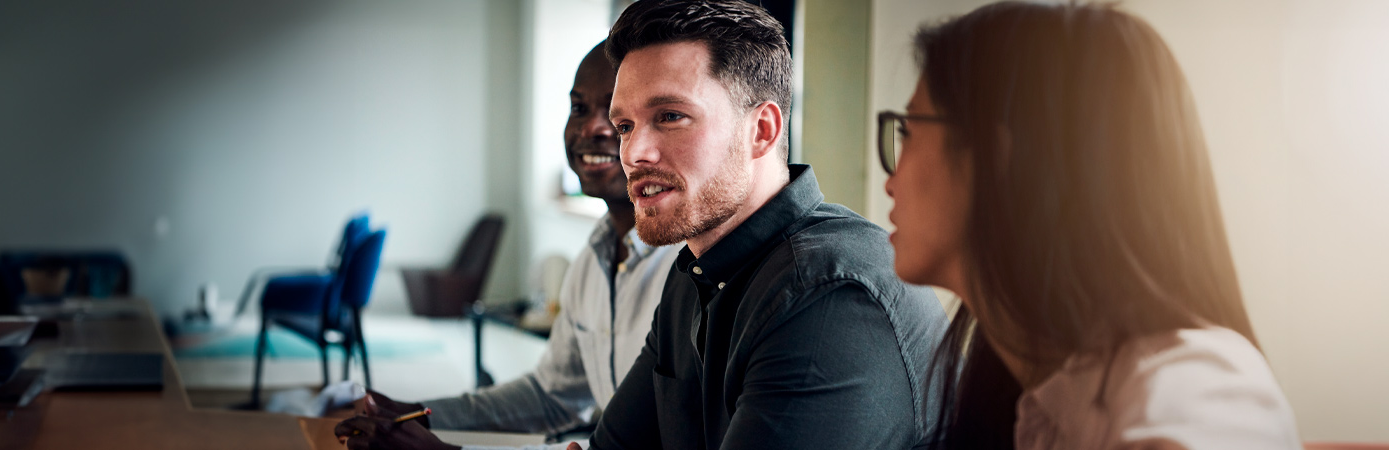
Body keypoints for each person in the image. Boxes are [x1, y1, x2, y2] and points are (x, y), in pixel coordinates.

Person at [877, 2, 1301, 449]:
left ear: (993, 159)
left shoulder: (1197, 391)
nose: (890, 179)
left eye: (907, 131)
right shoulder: (1026, 404)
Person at [587, 1, 947, 449]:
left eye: (670, 116)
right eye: (625, 126)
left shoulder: (829, 295)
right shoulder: (692, 276)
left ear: (762, 130)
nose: (634, 152)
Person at [333, 42, 683, 450]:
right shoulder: (593, 259)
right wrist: (416, 414)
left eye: (618, 115)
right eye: (579, 109)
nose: (593, 128)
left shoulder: (691, 269)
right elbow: (552, 395)